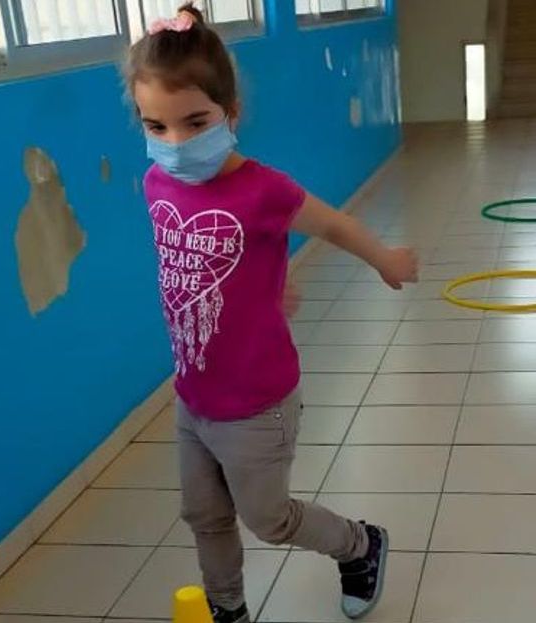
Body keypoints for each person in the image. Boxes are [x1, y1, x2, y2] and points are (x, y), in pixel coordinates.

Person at [123, 4, 418, 622]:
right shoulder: (155, 184)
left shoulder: (265, 190)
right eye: (156, 126)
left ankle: (360, 545)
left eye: (194, 121)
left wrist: (384, 258)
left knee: (268, 519)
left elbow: (332, 223)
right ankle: (228, 610)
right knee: (203, 515)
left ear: (231, 114)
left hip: (257, 402)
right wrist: (261, 290)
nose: (175, 143)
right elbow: (203, 264)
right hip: (193, 394)